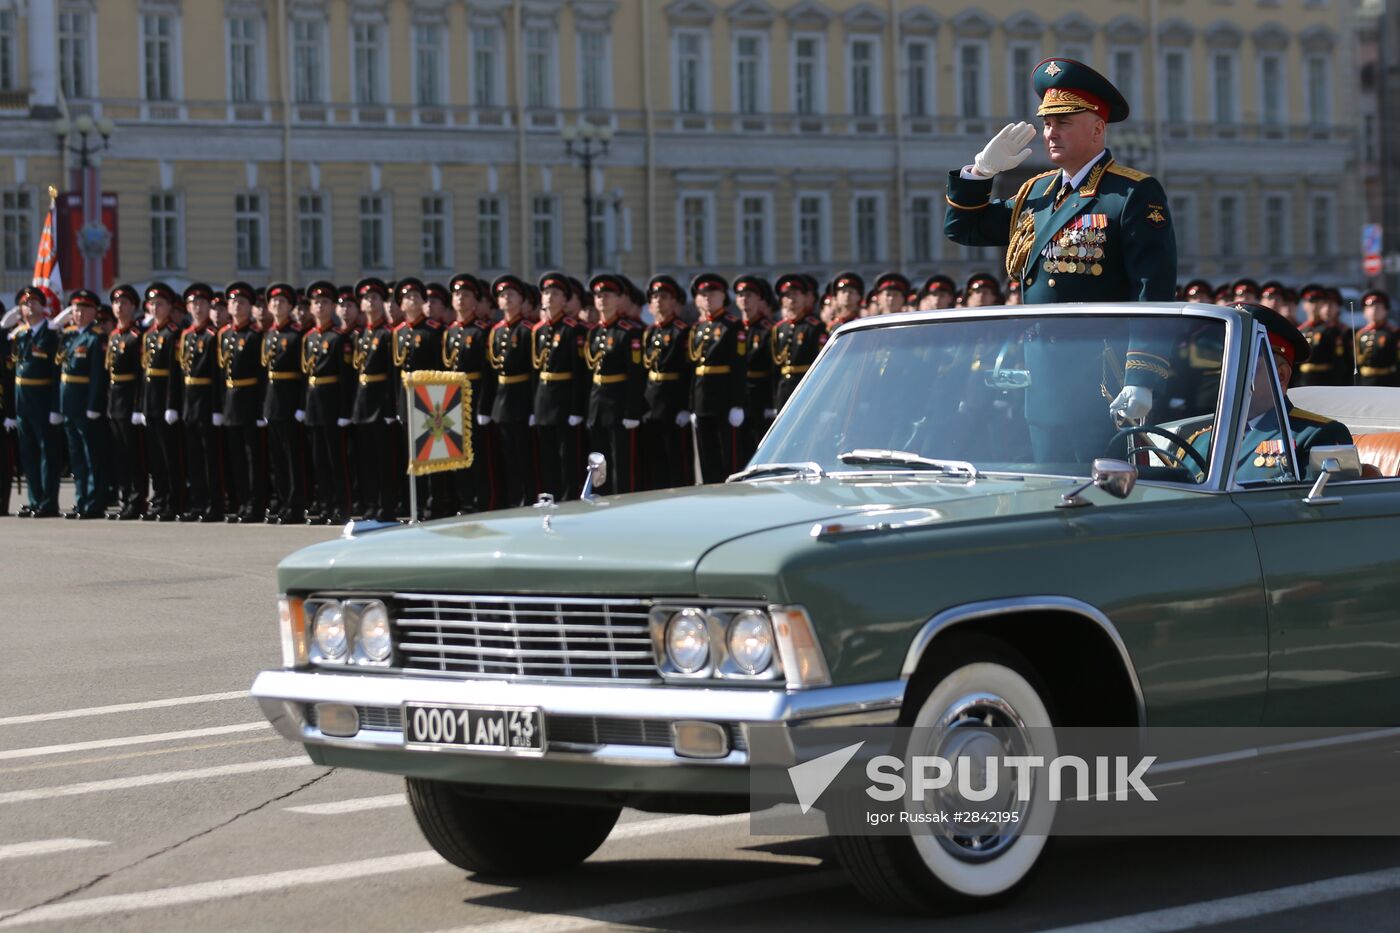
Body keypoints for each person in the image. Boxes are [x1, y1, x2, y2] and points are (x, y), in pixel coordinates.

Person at [945, 57, 1177, 443]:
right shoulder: (1037, 193)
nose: (1050, 133)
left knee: (1104, 493)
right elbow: (964, 229)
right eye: (1047, 123)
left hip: (1103, 381)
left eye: (1064, 122)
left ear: (1098, 129)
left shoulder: (1130, 193)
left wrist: (1142, 377)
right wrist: (980, 173)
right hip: (1043, 383)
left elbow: (1152, 288)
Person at [1186, 304, 1352, 483]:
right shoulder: (1199, 440)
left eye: (1244, 366)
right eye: (1225, 366)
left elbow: (1311, 508)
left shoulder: (1318, 436)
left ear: (1280, 376)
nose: (1229, 376)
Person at [585, 273, 646, 494]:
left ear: (618, 299)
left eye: (608, 295)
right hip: (597, 404)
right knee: (600, 461)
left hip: (619, 403)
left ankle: (623, 500)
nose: (602, 300)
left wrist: (632, 411)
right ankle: (601, 498)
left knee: (621, 461)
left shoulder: (629, 332)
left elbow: (636, 375)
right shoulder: (594, 332)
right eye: (599, 296)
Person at [392, 277, 447, 519]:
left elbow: (440, 368)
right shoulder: (399, 333)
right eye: (407, 298)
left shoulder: (433, 331)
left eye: (416, 297)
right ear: (401, 305)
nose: (411, 301)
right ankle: (416, 502)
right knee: (411, 456)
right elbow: (395, 372)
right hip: (407, 396)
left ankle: (432, 505)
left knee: (430, 455)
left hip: (428, 397)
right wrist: (397, 404)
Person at [301, 281, 354, 525]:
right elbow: (305, 375)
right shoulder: (309, 338)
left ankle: (341, 507)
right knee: (318, 460)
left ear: (332, 306)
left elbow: (346, 378)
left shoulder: (338, 338)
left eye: (324, 302)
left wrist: (344, 410)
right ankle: (324, 506)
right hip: (313, 403)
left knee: (337, 460)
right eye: (316, 303)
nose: (320, 306)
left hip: (332, 404)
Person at [532, 272, 588, 501]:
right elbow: (535, 371)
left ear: (565, 300)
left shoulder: (572, 329)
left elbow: (579, 373)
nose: (550, 298)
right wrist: (533, 406)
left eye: (555, 294)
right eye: (546, 293)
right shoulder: (539, 330)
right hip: (544, 399)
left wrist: (576, 408)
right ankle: (550, 495)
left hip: (564, 399)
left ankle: (569, 497)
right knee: (547, 455)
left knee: (568, 455)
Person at [444, 273, 496, 513]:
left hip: (474, 396)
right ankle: (464, 499)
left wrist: (483, 407)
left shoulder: (481, 331)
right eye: (456, 295)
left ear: (475, 301)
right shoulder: (450, 332)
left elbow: (487, 372)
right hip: (453, 398)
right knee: (457, 452)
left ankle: (482, 500)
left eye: (465, 295)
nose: (460, 300)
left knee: (478, 453)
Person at [687, 272, 746, 483]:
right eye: (703, 295)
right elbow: (694, 370)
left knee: (728, 455)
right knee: (706, 454)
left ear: (723, 296)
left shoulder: (732, 325)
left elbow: (738, 367)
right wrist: (692, 405)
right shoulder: (697, 328)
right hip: (703, 400)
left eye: (712, 294)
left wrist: (737, 403)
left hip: (724, 399)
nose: (707, 298)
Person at [10, 287, 64, 517]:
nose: (29, 307)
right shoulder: (20, 335)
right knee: (28, 453)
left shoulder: (51, 335)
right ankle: (34, 498)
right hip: (23, 402)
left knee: (47, 453)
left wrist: (55, 407)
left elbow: (56, 372)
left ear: (43, 307)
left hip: (43, 399)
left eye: (34, 302)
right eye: (25, 303)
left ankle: (48, 501)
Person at [57, 289, 110, 519]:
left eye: (84, 308)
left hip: (85, 405)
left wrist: (93, 405)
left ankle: (94, 501)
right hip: (68, 404)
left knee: (92, 456)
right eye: (75, 309)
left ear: (94, 312)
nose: (78, 313)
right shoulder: (68, 336)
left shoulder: (96, 337)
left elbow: (98, 375)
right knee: (76, 456)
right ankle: (81, 500)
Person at [351, 277, 397, 522]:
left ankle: (385, 505)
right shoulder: (361, 335)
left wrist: (390, 408)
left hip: (380, 402)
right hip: (363, 402)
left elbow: (391, 373)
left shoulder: (387, 335)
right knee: (366, 459)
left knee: (383, 460)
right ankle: (370, 505)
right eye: (366, 298)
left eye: (375, 298)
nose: (370, 302)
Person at [488, 275, 537, 508]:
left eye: (511, 295)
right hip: (502, 400)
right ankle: (512, 499)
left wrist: (532, 407)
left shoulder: (528, 330)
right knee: (508, 457)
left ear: (521, 299)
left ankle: (527, 499)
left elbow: (533, 371)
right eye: (502, 295)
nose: (506, 299)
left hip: (520, 399)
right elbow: (492, 371)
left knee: (524, 456)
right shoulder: (496, 332)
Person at [641, 275, 693, 490]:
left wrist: (684, 407)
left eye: (664, 297)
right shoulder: (650, 332)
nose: (658, 301)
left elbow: (687, 372)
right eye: (654, 297)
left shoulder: (682, 331)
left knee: (677, 457)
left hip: (672, 401)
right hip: (653, 401)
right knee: (655, 457)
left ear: (674, 301)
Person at [177, 283, 222, 522]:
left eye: (202, 304)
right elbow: (181, 373)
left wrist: (216, 408)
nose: (198, 308)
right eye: (194, 304)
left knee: (210, 457)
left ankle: (214, 504)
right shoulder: (186, 335)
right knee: (193, 456)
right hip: (189, 401)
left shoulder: (214, 335)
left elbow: (217, 375)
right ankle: (198, 502)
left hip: (206, 399)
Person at [219, 281, 264, 522]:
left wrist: (260, 410)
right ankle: (241, 503)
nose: (237, 305)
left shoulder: (255, 336)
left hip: (249, 401)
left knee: (251, 458)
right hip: (230, 402)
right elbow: (221, 374)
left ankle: (255, 505)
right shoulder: (224, 335)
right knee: (235, 457)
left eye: (243, 302)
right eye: (234, 302)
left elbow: (261, 375)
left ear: (250, 307)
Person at [261, 282, 305, 524]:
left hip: (289, 402)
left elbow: (302, 374)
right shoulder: (270, 334)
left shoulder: (296, 334)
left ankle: (295, 505)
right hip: (272, 402)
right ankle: (281, 502)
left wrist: (300, 405)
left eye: (282, 302)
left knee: (291, 459)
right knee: (276, 459)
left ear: (290, 307)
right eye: (274, 302)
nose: (277, 305)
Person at [140, 282, 183, 521]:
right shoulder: (150, 335)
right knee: (155, 456)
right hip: (151, 401)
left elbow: (174, 373)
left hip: (165, 401)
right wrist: (142, 406)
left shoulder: (173, 333)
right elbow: (144, 373)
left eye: (160, 304)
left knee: (169, 455)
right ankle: (158, 499)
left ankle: (172, 501)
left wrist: (171, 404)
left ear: (169, 307)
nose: (156, 308)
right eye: (152, 304)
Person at [104, 284, 147, 520]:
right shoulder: (113, 336)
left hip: (130, 399)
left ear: (133, 307)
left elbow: (141, 375)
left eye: (125, 303)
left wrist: (138, 406)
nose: (120, 307)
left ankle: (137, 500)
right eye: (116, 303)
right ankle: (125, 498)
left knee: (134, 455)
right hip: (115, 400)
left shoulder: (136, 336)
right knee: (120, 454)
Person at [770, 273, 826, 413]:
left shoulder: (814, 327)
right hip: (783, 388)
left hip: (806, 386)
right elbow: (775, 367)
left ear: (804, 298)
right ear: (782, 300)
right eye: (787, 295)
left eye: (796, 294)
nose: (792, 298)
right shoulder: (779, 328)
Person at [734, 274, 775, 465]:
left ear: (759, 299)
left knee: (760, 444)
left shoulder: (767, 329)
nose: (745, 299)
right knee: (739, 446)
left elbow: (772, 368)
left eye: (750, 295)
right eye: (741, 295)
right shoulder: (733, 328)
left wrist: (770, 402)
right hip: (739, 394)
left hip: (760, 394)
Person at [1294, 284, 1351, 386]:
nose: (1314, 306)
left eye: (1318, 302)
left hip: (1325, 381)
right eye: (1311, 301)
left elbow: (1339, 363)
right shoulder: (1299, 331)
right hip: (1303, 381)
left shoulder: (1331, 330)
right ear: (1304, 305)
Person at [1356, 290, 1397, 387]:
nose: (1374, 310)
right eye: (1370, 307)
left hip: (1387, 382)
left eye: (1378, 307)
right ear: (1364, 311)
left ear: (1385, 310)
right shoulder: (1360, 334)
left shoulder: (1393, 333)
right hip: (1365, 382)